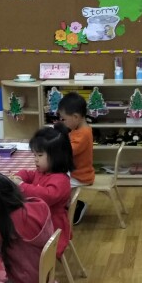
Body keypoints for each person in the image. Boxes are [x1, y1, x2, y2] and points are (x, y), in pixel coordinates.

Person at [15, 124, 74, 257]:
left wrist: (22, 185)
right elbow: (30, 174)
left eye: (40, 155)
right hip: (41, 222)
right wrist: (19, 176)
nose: (35, 159)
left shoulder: (61, 180)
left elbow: (46, 196)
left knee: (14, 241)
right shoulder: (44, 171)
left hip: (50, 230)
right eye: (34, 154)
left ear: (56, 156)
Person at [58, 92, 94, 224]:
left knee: (58, 185)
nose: (63, 122)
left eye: (64, 119)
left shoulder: (82, 134)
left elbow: (68, 151)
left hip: (80, 175)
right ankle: (71, 205)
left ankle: (76, 208)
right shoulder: (78, 129)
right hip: (76, 172)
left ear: (75, 117)